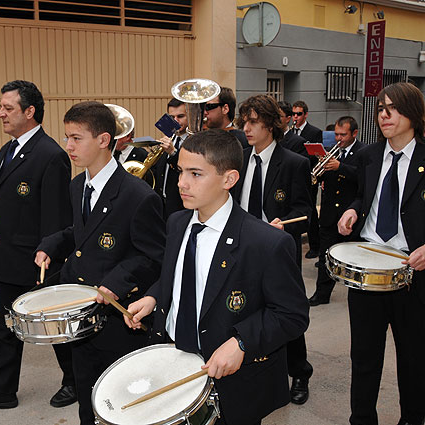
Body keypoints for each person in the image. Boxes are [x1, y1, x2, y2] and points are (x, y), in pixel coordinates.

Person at [126, 128, 310, 425]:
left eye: (196, 174)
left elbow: (292, 315)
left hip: (233, 380)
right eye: (180, 171)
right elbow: (180, 277)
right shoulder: (176, 223)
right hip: (174, 357)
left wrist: (241, 342)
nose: (182, 183)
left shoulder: (266, 242)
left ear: (229, 179)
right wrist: (153, 297)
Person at [35, 101, 166, 425]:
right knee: (87, 396)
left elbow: (153, 256)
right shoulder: (78, 185)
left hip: (118, 321)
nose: (68, 146)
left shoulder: (138, 195)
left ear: (104, 140)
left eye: (77, 138)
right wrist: (55, 242)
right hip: (82, 314)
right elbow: (86, 232)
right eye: (67, 137)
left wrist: (117, 283)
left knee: (122, 401)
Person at [0, 80, 76, 413]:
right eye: (1, 107)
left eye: (8, 108)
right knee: (6, 330)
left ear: (30, 112)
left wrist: (48, 259)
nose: (0, 114)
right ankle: (2, 391)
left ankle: (74, 380)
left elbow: (55, 218)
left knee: (52, 329)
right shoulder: (7, 150)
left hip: (34, 263)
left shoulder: (51, 154)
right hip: (5, 260)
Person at [337, 82, 425, 425]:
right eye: (380, 109)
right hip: (367, 272)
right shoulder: (369, 156)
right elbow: (365, 195)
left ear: (413, 114)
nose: (383, 115)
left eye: (392, 108)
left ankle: (413, 418)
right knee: (364, 356)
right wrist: (353, 211)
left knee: (414, 358)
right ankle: (361, 419)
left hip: (412, 274)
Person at [232, 95, 313, 405]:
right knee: (246, 313)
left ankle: (300, 372)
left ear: (271, 124)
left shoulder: (294, 162)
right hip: (241, 249)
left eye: (253, 122)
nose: (247, 128)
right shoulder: (237, 158)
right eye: (245, 122)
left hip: (276, 252)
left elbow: (306, 210)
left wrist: (285, 226)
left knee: (285, 315)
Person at [308, 116, 363, 306]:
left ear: (354, 133)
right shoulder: (333, 152)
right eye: (336, 134)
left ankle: (358, 297)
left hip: (351, 214)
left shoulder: (363, 152)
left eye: (343, 135)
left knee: (354, 260)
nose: (338, 139)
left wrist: (340, 167)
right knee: (325, 258)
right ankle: (321, 294)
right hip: (330, 214)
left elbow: (363, 178)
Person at [292, 100, 322, 259]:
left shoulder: (314, 132)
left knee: (310, 212)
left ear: (305, 114)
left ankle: (315, 246)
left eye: (299, 114)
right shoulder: (291, 131)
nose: (295, 117)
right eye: (293, 114)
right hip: (295, 178)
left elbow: (316, 156)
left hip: (309, 176)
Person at [153, 98, 188, 218]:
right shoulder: (171, 136)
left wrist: (173, 152)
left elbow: (187, 168)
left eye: (181, 116)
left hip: (182, 206)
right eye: (172, 117)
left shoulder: (195, 140)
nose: (176, 121)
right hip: (163, 205)